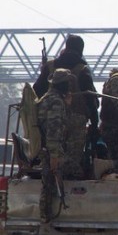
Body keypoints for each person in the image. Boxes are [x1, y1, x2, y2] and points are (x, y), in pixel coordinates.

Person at [33, 34, 99, 179]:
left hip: (49, 118)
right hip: (76, 119)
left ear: (66, 46)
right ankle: (69, 181)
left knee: (50, 153)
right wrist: (94, 124)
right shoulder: (82, 69)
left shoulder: (49, 66)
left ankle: (50, 179)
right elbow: (91, 99)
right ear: (81, 49)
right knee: (73, 156)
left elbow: (36, 89)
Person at [36, 69, 74, 225]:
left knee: (49, 183)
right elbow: (53, 129)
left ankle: (47, 219)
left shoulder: (48, 98)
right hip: (51, 150)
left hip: (46, 148)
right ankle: (46, 220)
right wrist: (54, 155)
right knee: (50, 185)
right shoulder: (56, 101)